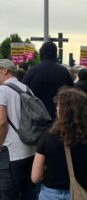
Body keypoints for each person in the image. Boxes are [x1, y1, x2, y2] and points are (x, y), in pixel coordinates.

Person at [31, 87, 87, 200]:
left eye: (59, 106)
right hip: (81, 194)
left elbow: (35, 177)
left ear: (63, 111)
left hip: (50, 194)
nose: (56, 108)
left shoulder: (47, 137)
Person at [0, 59, 37, 200]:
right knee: (28, 192)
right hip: (30, 149)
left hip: (11, 152)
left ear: (5, 71)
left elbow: (2, 122)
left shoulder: (2, 90)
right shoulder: (26, 89)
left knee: (8, 194)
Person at [23, 41, 74, 120]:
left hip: (36, 119)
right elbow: (72, 95)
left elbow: (23, 95)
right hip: (59, 119)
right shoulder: (64, 72)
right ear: (55, 54)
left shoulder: (31, 72)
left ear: (41, 54)